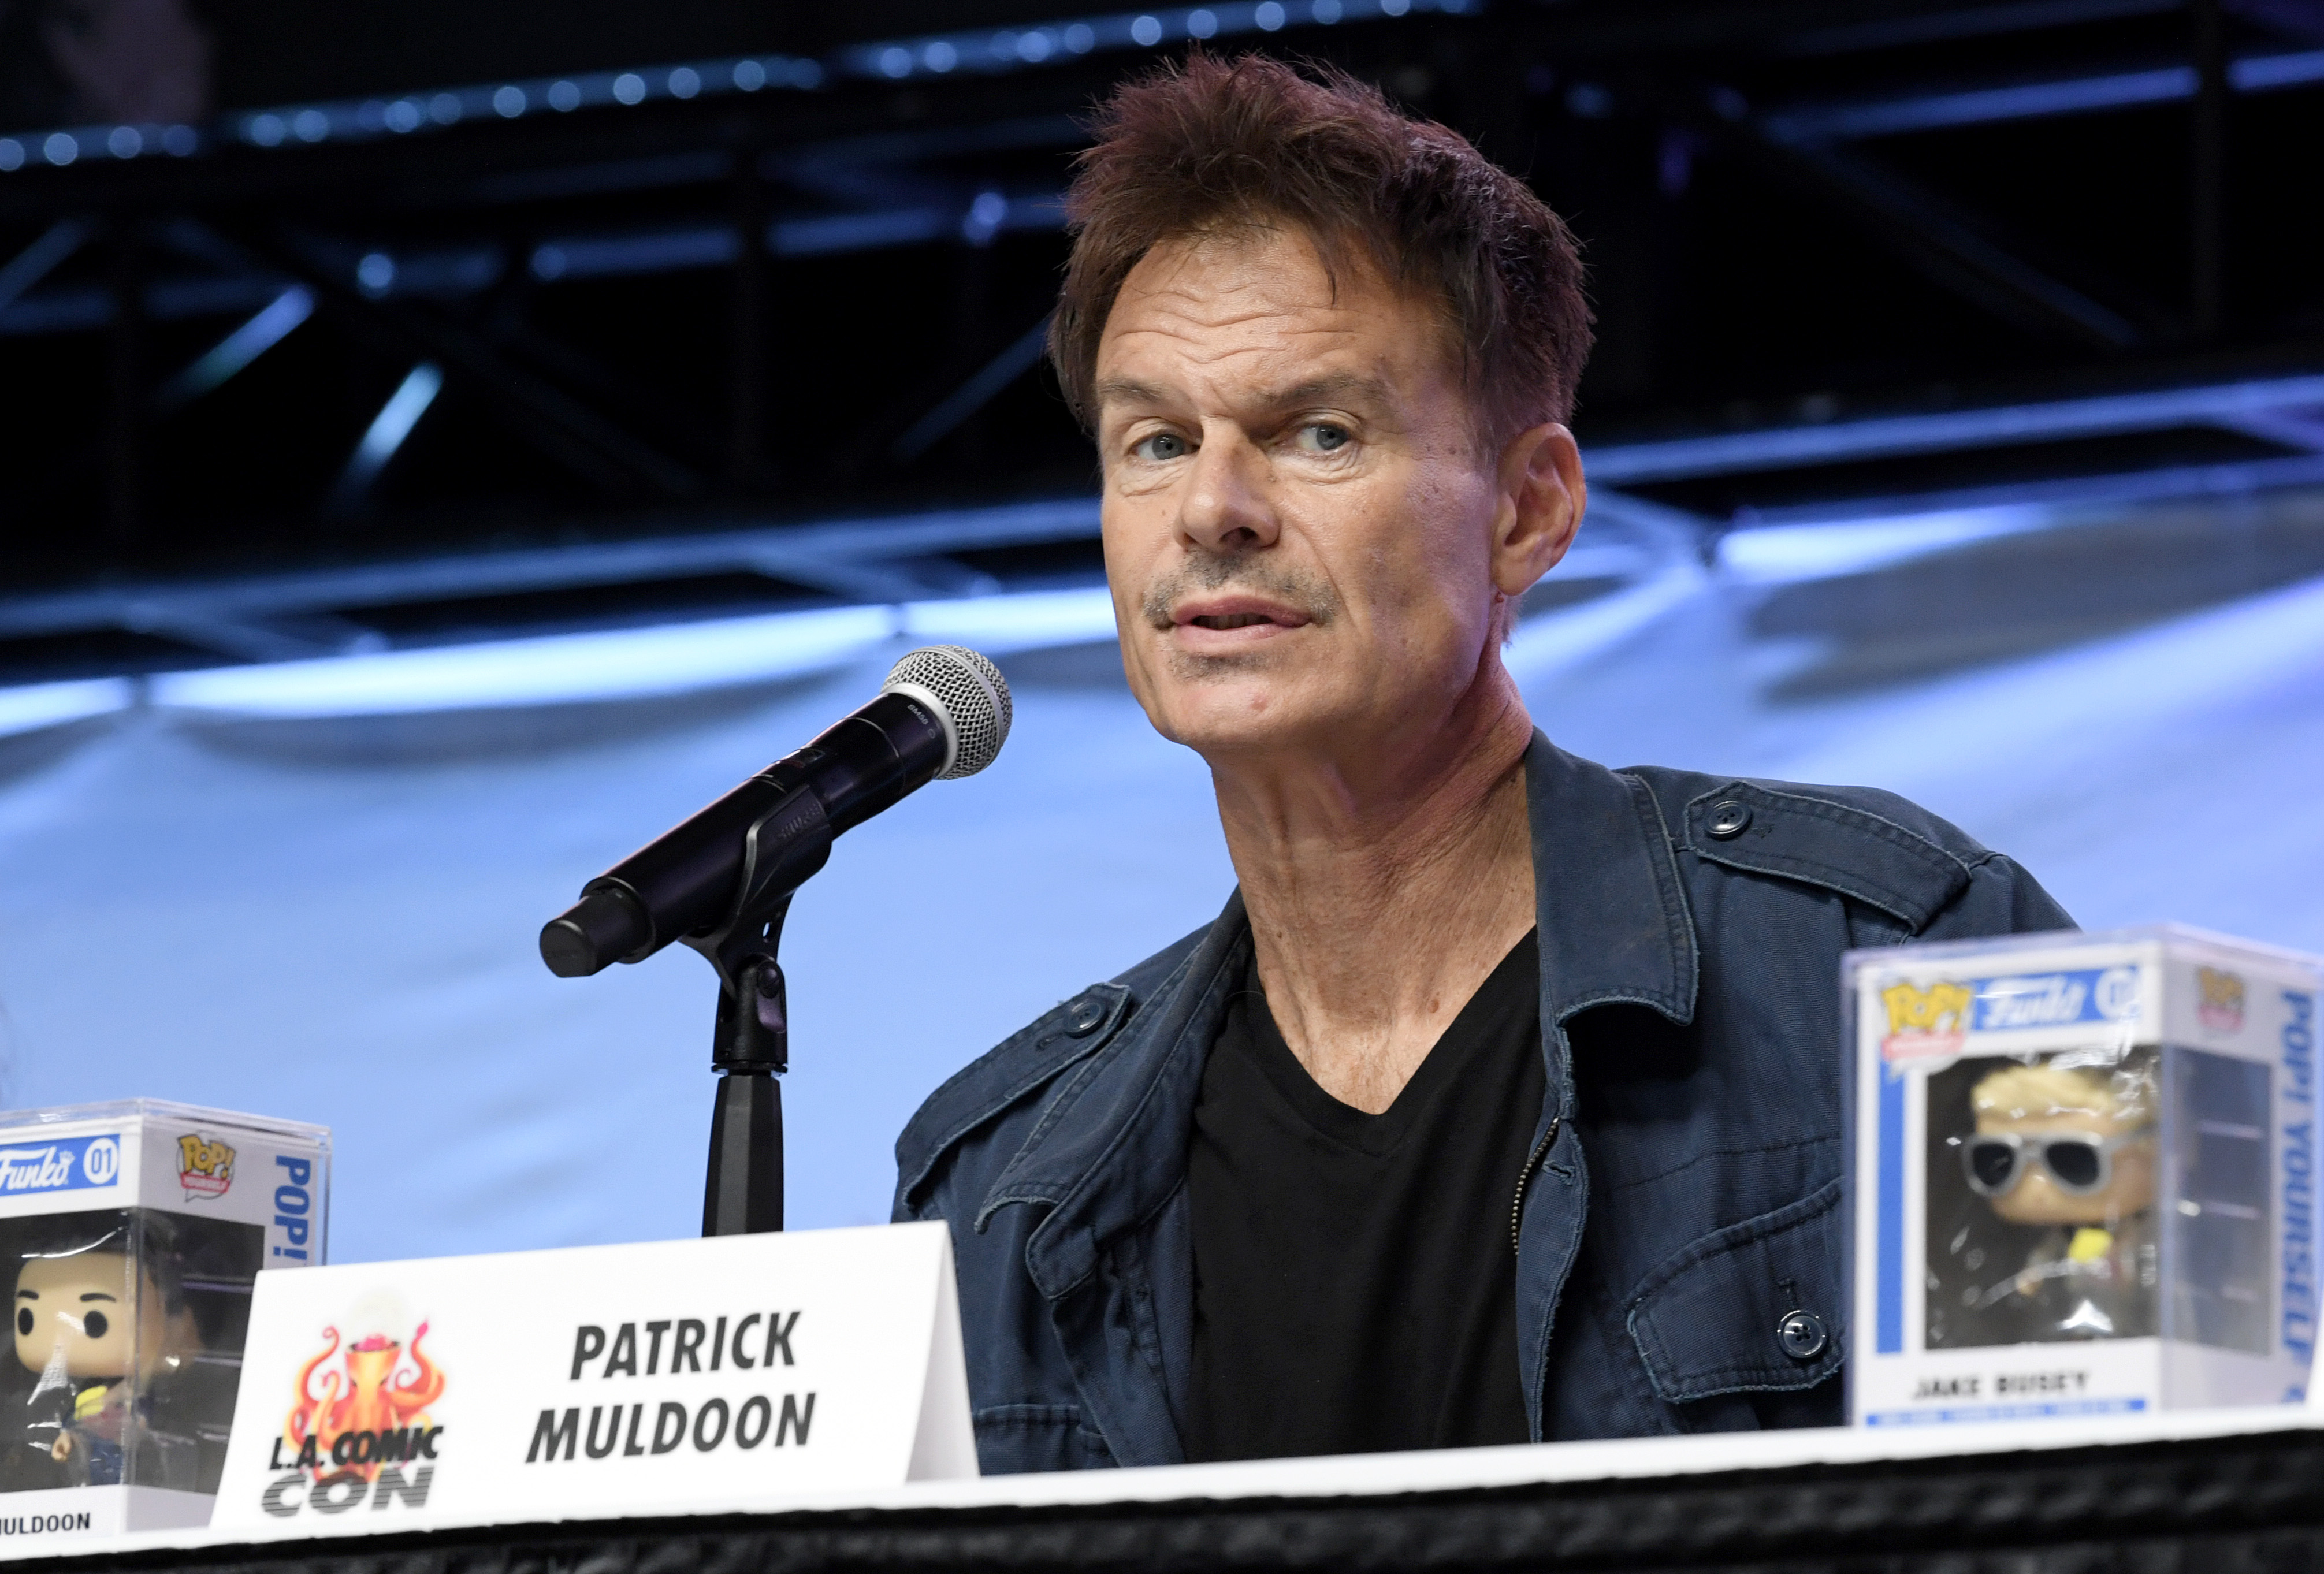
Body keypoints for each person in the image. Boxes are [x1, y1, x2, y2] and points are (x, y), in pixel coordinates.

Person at [893, 53, 2073, 1473]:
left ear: (1527, 512)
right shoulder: (996, 1186)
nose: (1211, 508)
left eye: (1314, 432)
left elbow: (2145, 1522)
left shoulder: (1912, 961)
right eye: (1153, 442)